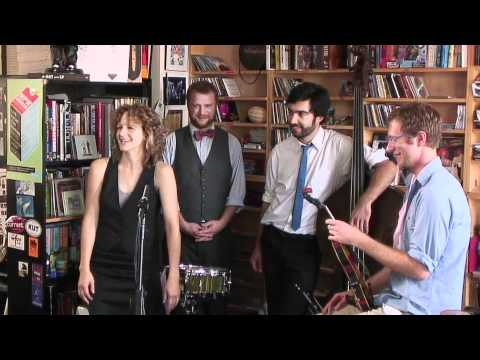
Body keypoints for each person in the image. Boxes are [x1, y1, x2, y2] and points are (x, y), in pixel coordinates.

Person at [250, 82, 397, 315]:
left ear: (319, 117)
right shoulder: (280, 150)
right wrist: (258, 244)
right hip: (272, 237)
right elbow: (268, 201)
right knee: (275, 306)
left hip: (307, 244)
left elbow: (388, 166)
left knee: (294, 308)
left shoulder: (342, 146)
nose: (292, 119)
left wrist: (365, 201)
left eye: (301, 113)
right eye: (290, 112)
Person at [323, 103, 471, 315]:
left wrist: (357, 238)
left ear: (420, 139)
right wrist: (358, 292)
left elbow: (419, 269)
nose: (388, 148)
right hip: (396, 302)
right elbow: (399, 264)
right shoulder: (415, 185)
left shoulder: (435, 193)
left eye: (394, 139)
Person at [77, 104, 181, 315]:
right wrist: (84, 268)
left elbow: (172, 226)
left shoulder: (162, 172)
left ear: (147, 133)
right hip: (103, 272)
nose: (122, 133)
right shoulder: (100, 168)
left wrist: (174, 275)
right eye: (119, 127)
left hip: (143, 273)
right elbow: (90, 219)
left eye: (130, 128)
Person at [163, 80, 246, 314]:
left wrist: (220, 224)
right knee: (180, 305)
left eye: (208, 106)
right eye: (196, 106)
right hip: (180, 242)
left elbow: (237, 193)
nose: (202, 112)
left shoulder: (232, 143)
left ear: (216, 106)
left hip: (218, 245)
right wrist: (183, 225)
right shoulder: (171, 141)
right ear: (188, 106)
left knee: (215, 306)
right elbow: (164, 193)